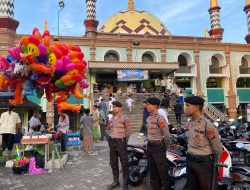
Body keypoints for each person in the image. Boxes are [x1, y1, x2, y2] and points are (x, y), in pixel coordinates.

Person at [184, 96, 223, 190]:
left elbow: (217, 147)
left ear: (197, 107)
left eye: (188, 105)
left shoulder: (207, 124)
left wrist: (215, 163)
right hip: (190, 161)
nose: (185, 108)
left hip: (203, 164)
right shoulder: (190, 122)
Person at [146, 97, 171, 190]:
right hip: (150, 147)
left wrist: (165, 146)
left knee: (163, 172)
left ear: (155, 106)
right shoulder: (148, 118)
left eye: (149, 105)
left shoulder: (160, 119)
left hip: (158, 147)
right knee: (153, 172)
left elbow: (166, 135)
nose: (147, 106)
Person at [106, 101, 131, 190]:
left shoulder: (125, 118)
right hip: (112, 143)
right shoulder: (111, 118)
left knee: (124, 163)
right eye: (113, 106)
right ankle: (116, 182)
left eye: (115, 107)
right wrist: (109, 123)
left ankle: (125, 184)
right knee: (113, 163)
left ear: (120, 108)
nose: (114, 108)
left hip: (121, 142)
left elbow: (128, 131)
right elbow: (108, 128)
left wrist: (124, 141)